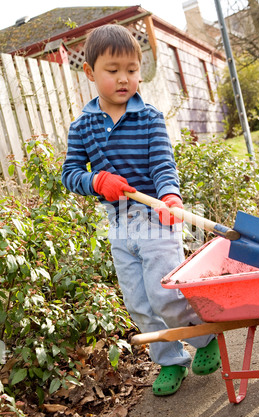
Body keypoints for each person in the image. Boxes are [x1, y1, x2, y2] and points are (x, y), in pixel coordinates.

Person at [61, 24, 220, 396]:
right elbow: (70, 174)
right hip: (117, 224)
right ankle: (169, 361)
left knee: (165, 294)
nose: (124, 79)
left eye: (131, 70)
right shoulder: (82, 127)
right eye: (113, 71)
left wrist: (171, 197)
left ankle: (203, 338)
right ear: (90, 73)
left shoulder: (149, 118)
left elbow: (163, 165)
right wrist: (97, 181)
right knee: (139, 303)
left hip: (156, 218)